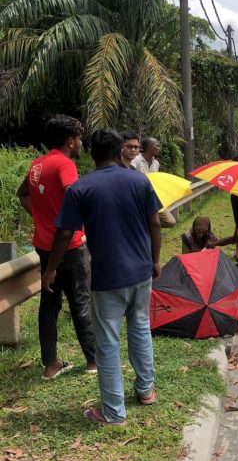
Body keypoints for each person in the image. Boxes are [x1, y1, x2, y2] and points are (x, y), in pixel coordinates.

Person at [41, 129, 162, 425]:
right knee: (140, 329)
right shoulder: (138, 180)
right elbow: (155, 223)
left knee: (107, 342)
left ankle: (113, 411)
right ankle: (146, 391)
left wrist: (51, 268)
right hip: (141, 271)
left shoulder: (81, 188)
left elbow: (65, 233)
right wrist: (156, 261)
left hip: (108, 277)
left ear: (93, 153)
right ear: (120, 150)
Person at [17, 114, 96, 380]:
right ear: (70, 141)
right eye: (80, 138)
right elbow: (75, 197)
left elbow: (23, 194)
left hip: (44, 244)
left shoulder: (37, 164)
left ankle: (50, 365)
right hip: (69, 245)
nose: (82, 143)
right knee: (80, 301)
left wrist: (42, 219)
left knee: (49, 304)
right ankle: (93, 361)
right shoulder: (65, 165)